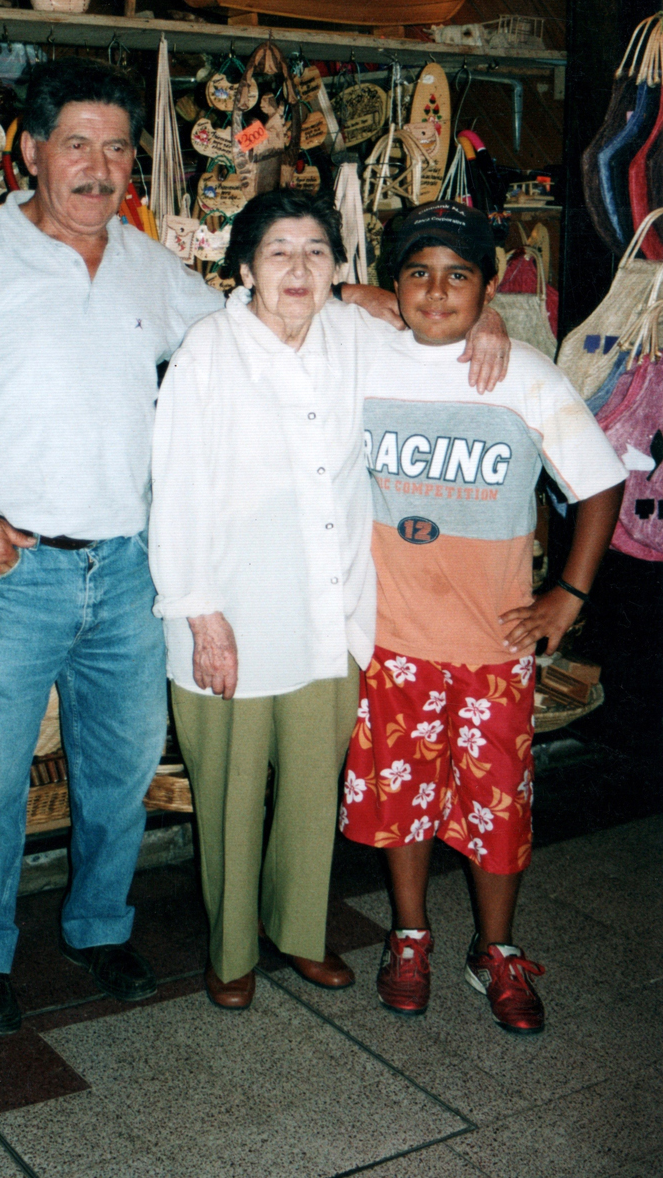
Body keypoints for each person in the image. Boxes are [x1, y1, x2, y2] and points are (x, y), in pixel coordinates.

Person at [0, 59, 226, 1034]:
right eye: (77, 143)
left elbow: (246, 333)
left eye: (116, 149)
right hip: (7, 573)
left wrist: (351, 300)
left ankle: (99, 928)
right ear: (30, 151)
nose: (98, 168)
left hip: (125, 572)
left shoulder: (148, 263)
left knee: (120, 767)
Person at [149, 191, 509, 1011]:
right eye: (278, 252)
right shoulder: (209, 350)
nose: (298, 269)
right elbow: (174, 493)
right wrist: (202, 615)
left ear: (340, 269)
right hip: (230, 618)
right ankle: (232, 951)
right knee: (234, 795)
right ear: (244, 269)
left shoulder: (354, 338)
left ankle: (300, 933)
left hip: (331, 615)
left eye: (316, 252)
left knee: (313, 789)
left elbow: (439, 337)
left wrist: (488, 321)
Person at [340, 201, 626, 1035]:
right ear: (395, 284)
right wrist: (378, 300)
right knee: (405, 802)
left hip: (493, 645)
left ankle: (495, 950)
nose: (438, 292)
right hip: (391, 639)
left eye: (460, 276)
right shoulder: (362, 360)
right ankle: (410, 935)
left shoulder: (524, 372)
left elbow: (600, 484)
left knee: (498, 806)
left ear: (489, 286)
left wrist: (565, 598)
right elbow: (299, 292)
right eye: (419, 273)